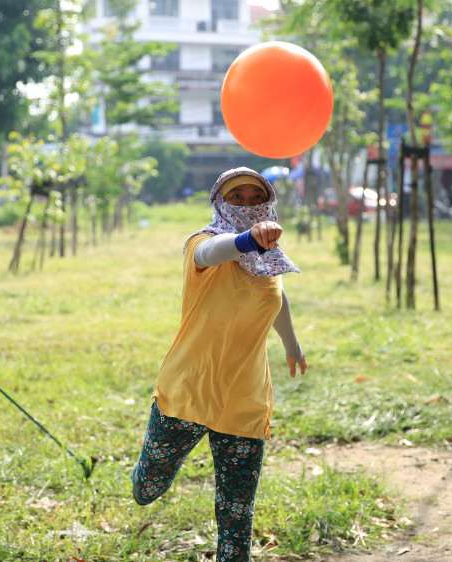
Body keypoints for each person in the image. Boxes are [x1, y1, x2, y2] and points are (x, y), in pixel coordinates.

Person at [132, 167, 308, 561]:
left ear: (269, 204)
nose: (247, 205)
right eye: (236, 197)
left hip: (244, 401)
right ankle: (146, 475)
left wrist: (292, 346)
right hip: (187, 391)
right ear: (219, 202)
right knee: (147, 490)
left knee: (236, 515)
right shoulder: (202, 243)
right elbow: (215, 252)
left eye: (255, 198)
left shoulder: (269, 258)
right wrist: (248, 239)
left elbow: (275, 297)